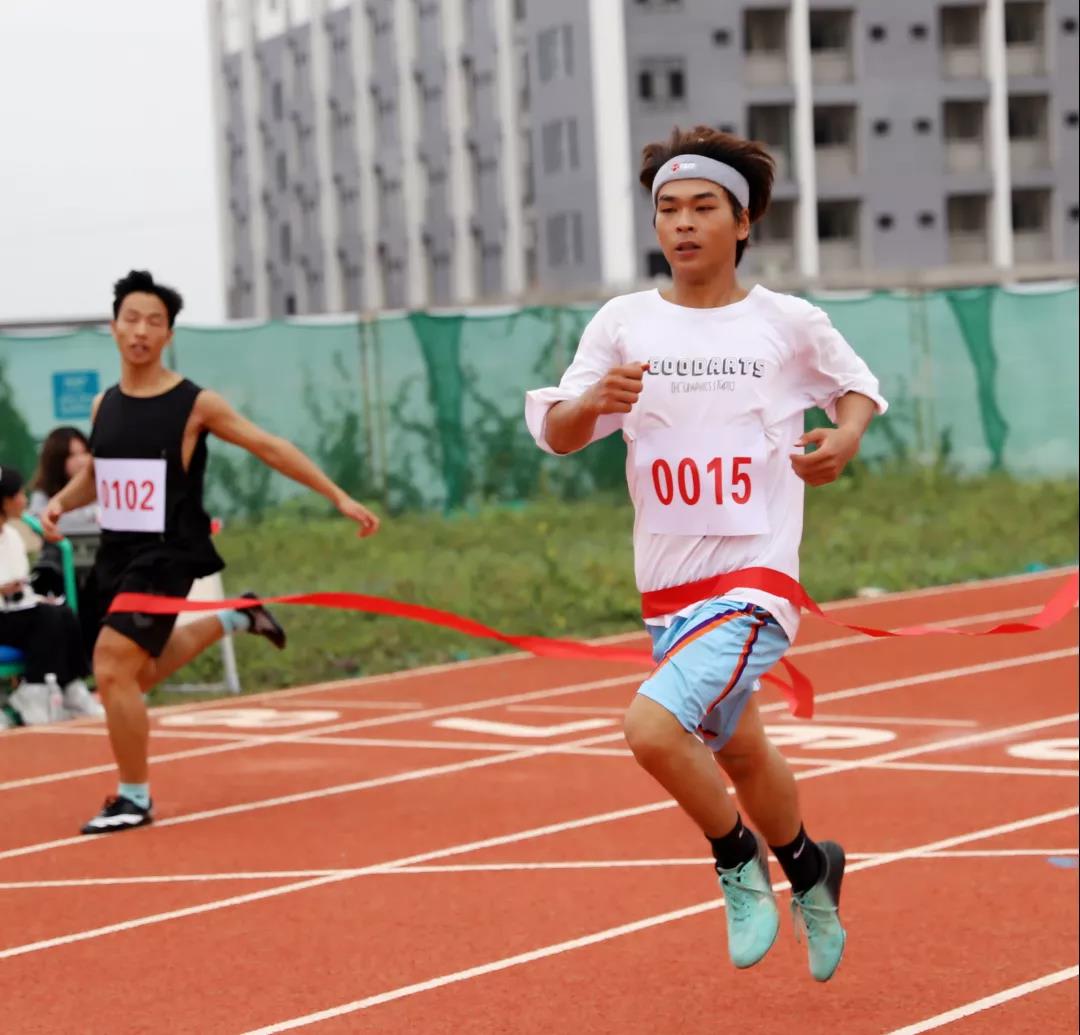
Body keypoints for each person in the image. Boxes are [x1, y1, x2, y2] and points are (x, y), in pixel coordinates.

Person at [525, 127, 887, 982]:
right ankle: (811, 866)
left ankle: (735, 855)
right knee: (742, 752)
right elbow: (561, 432)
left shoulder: (784, 322)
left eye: (702, 207)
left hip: (755, 579)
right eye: (668, 209)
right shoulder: (624, 323)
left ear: (744, 221)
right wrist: (592, 403)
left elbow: (856, 388)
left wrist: (844, 437)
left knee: (651, 728)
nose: (682, 223)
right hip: (669, 587)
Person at [42, 270, 382, 835]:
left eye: (154, 322)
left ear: (168, 334)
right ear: (114, 327)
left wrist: (337, 495)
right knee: (130, 677)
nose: (141, 331)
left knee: (111, 665)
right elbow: (101, 474)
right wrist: (60, 501)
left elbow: (268, 446)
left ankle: (134, 798)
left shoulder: (194, 403)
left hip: (168, 553)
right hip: (117, 553)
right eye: (131, 319)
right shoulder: (106, 405)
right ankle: (235, 616)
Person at [0, 465, 98, 723]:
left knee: (63, 613)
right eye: (19, 495)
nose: (24, 501)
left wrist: (35, 597)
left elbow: (20, 583)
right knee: (46, 619)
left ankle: (71, 686)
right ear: (5, 501)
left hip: (15, 612)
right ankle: (33, 689)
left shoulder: (12, 536)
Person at [29, 426, 99, 599]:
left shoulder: (101, 489)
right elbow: (40, 523)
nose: (81, 460)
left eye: (85, 452)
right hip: (62, 573)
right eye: (71, 455)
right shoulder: (43, 495)